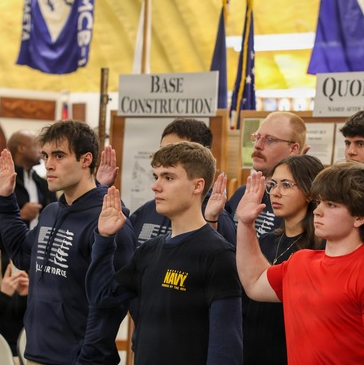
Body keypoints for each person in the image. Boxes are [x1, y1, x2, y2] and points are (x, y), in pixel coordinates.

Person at [87, 141, 242, 365]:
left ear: (197, 186)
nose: (156, 186)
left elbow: (226, 348)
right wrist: (104, 239)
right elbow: (101, 296)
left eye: (168, 177)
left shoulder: (218, 255)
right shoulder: (150, 250)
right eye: (156, 176)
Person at [0, 120, 137, 365]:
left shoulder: (109, 219)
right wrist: (6, 200)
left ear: (85, 160)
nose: (48, 164)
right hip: (37, 353)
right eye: (46, 156)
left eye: (59, 156)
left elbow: (112, 302)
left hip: (79, 360)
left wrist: (88, 358)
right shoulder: (52, 212)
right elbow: (22, 255)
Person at [236, 162, 364, 364]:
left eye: (331, 205)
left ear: (360, 216)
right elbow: (254, 283)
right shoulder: (300, 261)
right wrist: (246, 224)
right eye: (320, 202)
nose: (317, 211)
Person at [242, 154, 324, 365]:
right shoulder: (267, 239)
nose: (275, 193)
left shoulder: (319, 248)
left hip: (289, 352)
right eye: (273, 184)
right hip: (252, 348)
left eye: (286, 185)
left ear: (309, 192)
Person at [119, 118, 236, 246]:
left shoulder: (218, 218)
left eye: (176, 151)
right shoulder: (149, 209)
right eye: (163, 150)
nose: (165, 157)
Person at [0, 129, 57, 270]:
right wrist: (20, 215)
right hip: (7, 256)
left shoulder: (42, 182)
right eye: (36, 145)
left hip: (40, 255)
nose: (41, 150)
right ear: (21, 148)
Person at [227, 111, 307, 236]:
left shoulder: (296, 202)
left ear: (293, 149)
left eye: (270, 140)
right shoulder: (243, 192)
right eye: (257, 137)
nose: (257, 145)